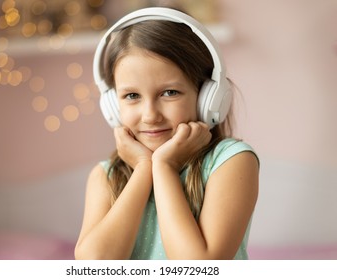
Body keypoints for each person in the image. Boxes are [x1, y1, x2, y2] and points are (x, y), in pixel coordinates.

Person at [74, 7, 259, 260]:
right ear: (112, 106)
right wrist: (143, 168)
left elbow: (199, 267)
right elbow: (94, 265)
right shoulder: (106, 175)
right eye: (132, 96)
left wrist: (165, 166)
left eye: (169, 92)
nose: (150, 115)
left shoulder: (231, 162)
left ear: (208, 97)